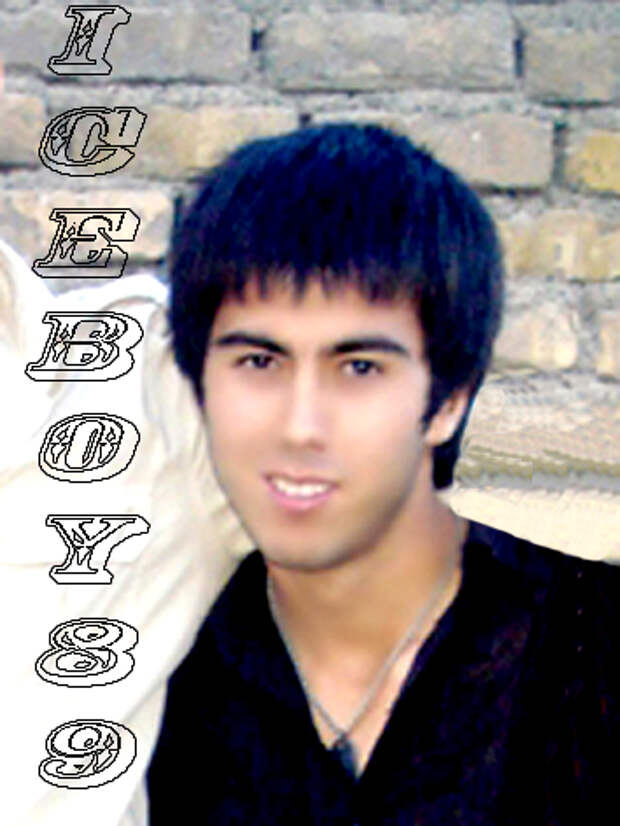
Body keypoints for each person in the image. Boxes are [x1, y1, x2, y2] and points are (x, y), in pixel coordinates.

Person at [146, 122, 619, 825]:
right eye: (259, 361)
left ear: (448, 400)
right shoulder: (165, 676)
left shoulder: (586, 645)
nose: (300, 425)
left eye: (360, 367)